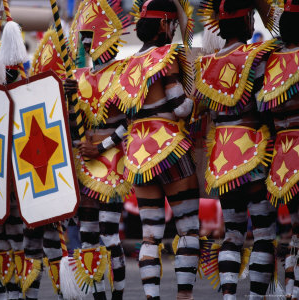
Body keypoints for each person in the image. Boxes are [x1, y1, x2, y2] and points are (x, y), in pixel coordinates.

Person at [110, 0, 200, 299]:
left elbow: (127, 121)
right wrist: (200, 94)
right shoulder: (166, 56)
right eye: (172, 24)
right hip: (170, 149)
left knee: (150, 235)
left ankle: (151, 297)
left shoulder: (128, 65)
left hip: (138, 155)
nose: (174, 30)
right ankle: (184, 297)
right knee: (188, 230)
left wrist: (103, 145)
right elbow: (181, 108)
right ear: (163, 24)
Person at [195, 0, 280, 298]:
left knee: (231, 234)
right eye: (251, 19)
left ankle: (229, 295)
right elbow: (265, 104)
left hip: (221, 158)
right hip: (253, 152)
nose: (254, 26)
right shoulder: (256, 57)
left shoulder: (206, 66)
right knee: (264, 233)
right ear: (244, 21)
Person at [63, 0, 132, 298]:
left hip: (112, 161)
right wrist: (66, 100)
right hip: (84, 162)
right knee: (88, 237)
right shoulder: (76, 77)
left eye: (93, 39)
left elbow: (128, 122)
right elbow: (69, 124)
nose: (89, 45)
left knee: (108, 234)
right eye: (86, 39)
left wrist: (103, 146)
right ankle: (97, 294)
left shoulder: (122, 74)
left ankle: (116, 294)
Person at [257, 0, 299, 298]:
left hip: (282, 154)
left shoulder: (268, 61)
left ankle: (291, 291)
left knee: (295, 230)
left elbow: (261, 110)